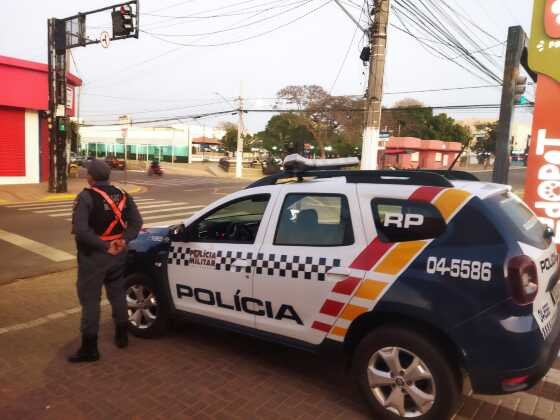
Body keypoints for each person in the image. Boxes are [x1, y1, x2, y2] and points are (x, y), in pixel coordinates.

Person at [68, 159, 143, 363]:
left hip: (93, 258)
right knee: (117, 294)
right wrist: (122, 240)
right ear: (108, 175)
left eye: (87, 173)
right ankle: (122, 335)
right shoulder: (123, 195)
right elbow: (137, 222)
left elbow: (82, 231)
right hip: (118, 254)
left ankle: (90, 348)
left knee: (90, 301)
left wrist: (104, 246)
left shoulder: (86, 197)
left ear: (90, 176)